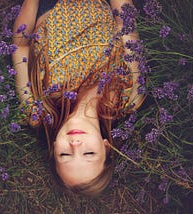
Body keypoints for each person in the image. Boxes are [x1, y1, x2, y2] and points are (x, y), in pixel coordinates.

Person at [12, 0, 144, 196]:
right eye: (89, 154)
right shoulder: (129, 99)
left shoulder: (37, 112)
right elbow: (127, 29)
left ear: (54, 149)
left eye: (65, 155)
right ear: (106, 147)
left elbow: (20, 47)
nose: (75, 146)